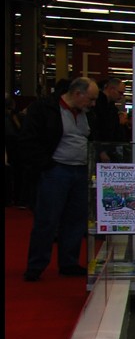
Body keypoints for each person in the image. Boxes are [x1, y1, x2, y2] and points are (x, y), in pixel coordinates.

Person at [19, 76, 99, 281]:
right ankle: (36, 265)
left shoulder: (86, 114)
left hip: (81, 170)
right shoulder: (45, 108)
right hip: (56, 170)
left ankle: (69, 262)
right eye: (90, 99)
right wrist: (46, 164)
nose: (92, 104)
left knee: (75, 220)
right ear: (77, 93)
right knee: (47, 219)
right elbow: (29, 139)